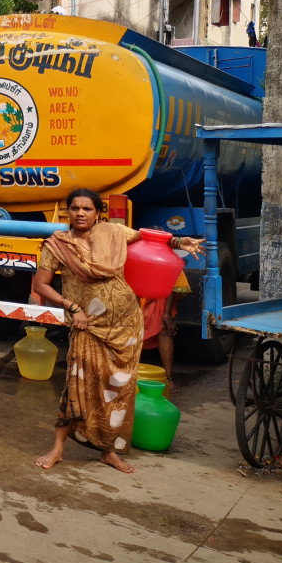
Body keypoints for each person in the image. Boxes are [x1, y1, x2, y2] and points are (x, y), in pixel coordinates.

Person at [32, 189, 203, 474]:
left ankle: (108, 452)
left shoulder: (115, 233)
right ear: (68, 213)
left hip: (126, 326)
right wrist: (72, 307)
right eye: (75, 208)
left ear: (98, 212)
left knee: (119, 390)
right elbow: (41, 285)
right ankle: (58, 449)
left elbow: (149, 237)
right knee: (76, 388)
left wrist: (178, 240)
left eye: (87, 208)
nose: (80, 213)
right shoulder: (58, 245)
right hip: (88, 327)